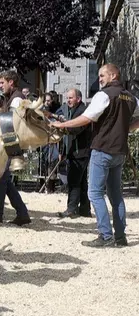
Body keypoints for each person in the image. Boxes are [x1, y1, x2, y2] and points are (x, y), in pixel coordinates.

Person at [52, 64, 139, 247]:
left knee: (95, 193)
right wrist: (126, 129)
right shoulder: (131, 98)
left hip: (102, 149)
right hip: (119, 151)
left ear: (114, 75)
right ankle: (120, 237)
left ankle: (105, 236)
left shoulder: (104, 95)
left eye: (102, 75)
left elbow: (87, 117)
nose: (99, 79)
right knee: (116, 196)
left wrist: (63, 125)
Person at [0, 71, 31, 226]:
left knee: (2, 179)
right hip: (10, 144)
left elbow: (10, 124)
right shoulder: (13, 98)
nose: (0, 86)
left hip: (11, 144)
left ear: (11, 82)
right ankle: (21, 213)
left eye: (2, 83)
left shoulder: (16, 100)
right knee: (4, 180)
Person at [55, 88, 92, 218]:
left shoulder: (83, 112)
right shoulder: (72, 111)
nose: (68, 101)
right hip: (74, 151)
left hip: (80, 151)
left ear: (78, 98)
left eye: (70, 98)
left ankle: (71, 209)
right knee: (81, 182)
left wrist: (62, 126)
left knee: (74, 181)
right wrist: (62, 151)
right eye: (67, 98)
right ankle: (85, 210)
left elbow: (76, 130)